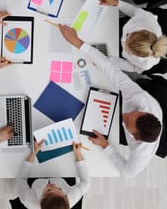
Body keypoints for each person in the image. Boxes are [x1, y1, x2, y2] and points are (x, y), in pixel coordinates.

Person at [58, 24, 162, 178]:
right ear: (145, 112)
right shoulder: (142, 101)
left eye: (127, 121)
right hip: (136, 97)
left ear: (134, 137)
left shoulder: (141, 152)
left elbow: (127, 173)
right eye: (132, 113)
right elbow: (113, 72)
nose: (124, 116)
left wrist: (106, 146)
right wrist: (77, 42)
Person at [14, 140, 90, 209]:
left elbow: (21, 179)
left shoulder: (28, 199)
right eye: (59, 189)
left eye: (49, 190)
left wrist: (33, 153)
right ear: (66, 196)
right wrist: (78, 155)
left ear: (41, 199)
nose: (53, 185)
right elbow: (86, 183)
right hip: (61, 176)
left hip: (36, 179)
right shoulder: (71, 197)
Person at [98, 0, 167, 73]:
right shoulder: (148, 19)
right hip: (116, 27)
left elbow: (134, 67)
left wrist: (108, 60)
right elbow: (135, 11)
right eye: (128, 36)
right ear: (141, 30)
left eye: (129, 51)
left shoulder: (146, 64)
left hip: (115, 50)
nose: (124, 41)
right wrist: (117, 3)